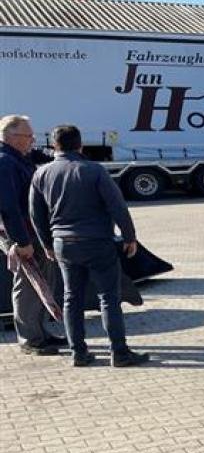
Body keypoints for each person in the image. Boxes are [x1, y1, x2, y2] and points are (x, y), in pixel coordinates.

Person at [30, 124, 149, 367]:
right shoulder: (94, 171)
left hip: (64, 244)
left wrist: (47, 245)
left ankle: (79, 353)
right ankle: (119, 352)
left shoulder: (41, 174)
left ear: (54, 145)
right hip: (97, 242)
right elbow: (117, 206)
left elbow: (36, 214)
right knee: (109, 297)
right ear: (80, 144)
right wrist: (129, 236)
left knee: (71, 298)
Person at [0, 114, 66, 355]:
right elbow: (8, 207)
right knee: (29, 285)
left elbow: (44, 157)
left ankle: (41, 333)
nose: (33, 140)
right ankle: (30, 339)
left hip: (34, 232)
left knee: (43, 284)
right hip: (22, 234)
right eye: (29, 136)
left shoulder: (20, 157)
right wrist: (22, 242)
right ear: (13, 137)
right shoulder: (5, 162)